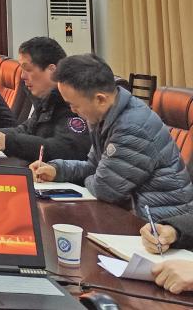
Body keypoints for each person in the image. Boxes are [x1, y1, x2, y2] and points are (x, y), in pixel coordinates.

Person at [30, 54, 193, 220]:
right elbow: (94, 167)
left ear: (100, 99)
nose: (72, 110)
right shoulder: (105, 116)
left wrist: (95, 177)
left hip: (158, 223)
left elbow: (105, 190)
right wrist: (57, 169)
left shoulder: (132, 127)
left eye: (74, 105)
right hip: (130, 214)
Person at [0, 37, 91, 161]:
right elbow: (27, 130)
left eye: (28, 69)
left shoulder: (73, 103)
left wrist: (9, 142)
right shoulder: (46, 99)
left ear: (52, 70)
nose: (22, 76)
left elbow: (66, 149)